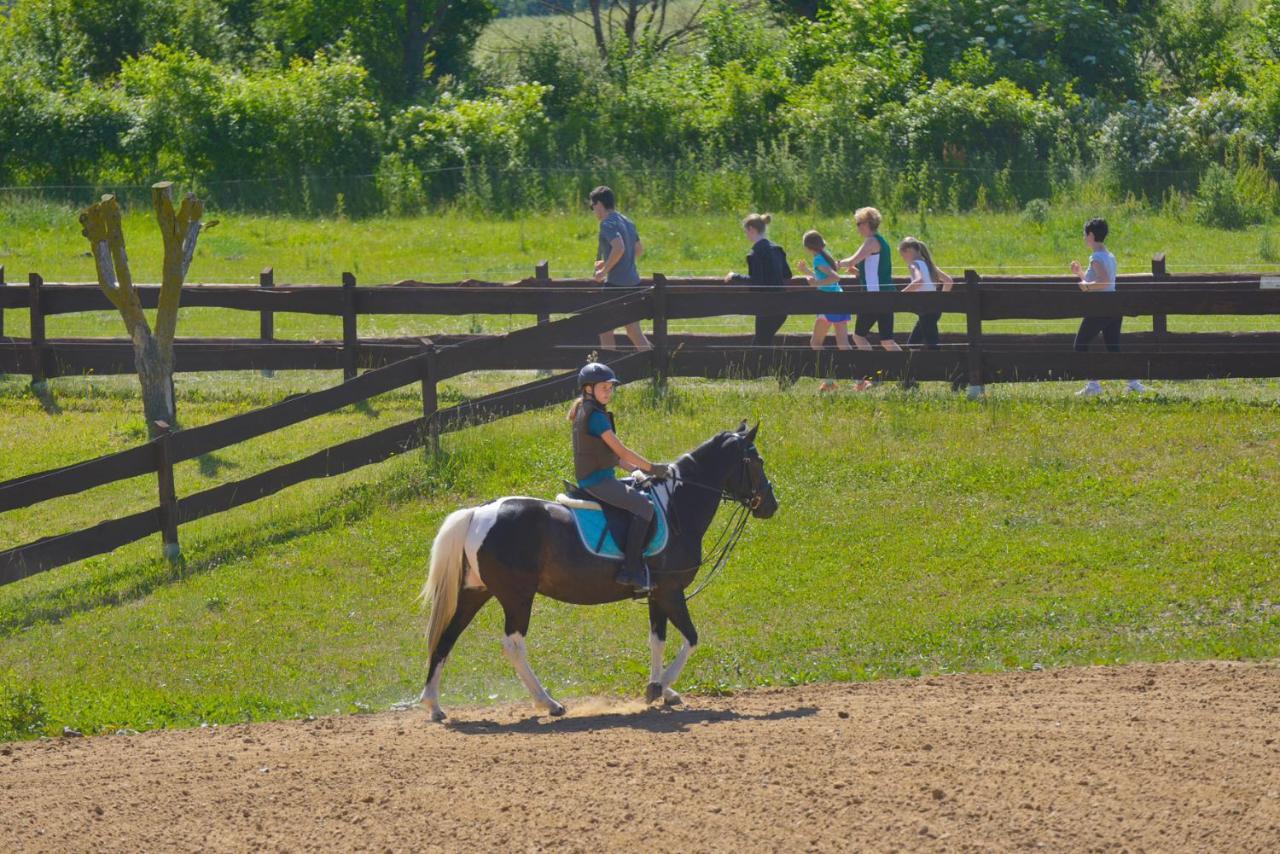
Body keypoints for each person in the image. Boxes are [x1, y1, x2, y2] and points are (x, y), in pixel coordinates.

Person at [569, 361, 672, 592]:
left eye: (610, 387)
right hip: (597, 481)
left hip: (600, 475)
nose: (608, 391)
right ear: (588, 389)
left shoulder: (588, 410)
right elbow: (622, 451)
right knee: (644, 507)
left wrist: (638, 471)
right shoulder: (595, 417)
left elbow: (613, 458)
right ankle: (630, 569)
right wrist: (653, 468)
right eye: (603, 387)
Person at [1069, 218, 1147, 396]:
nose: (1084, 238)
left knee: (1080, 344)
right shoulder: (1109, 256)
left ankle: (1093, 385)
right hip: (1113, 307)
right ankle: (1134, 383)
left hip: (1101, 308)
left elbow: (1102, 282)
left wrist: (1087, 287)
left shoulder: (1096, 257)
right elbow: (1104, 281)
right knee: (1113, 347)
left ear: (1091, 235)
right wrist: (1080, 273)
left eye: (1085, 234)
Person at [589, 186, 651, 352]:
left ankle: (609, 369)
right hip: (633, 282)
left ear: (599, 204)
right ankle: (655, 366)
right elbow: (638, 250)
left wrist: (603, 271)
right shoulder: (627, 221)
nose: (593, 211)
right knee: (633, 331)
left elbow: (619, 248)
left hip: (616, 285)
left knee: (605, 329)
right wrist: (609, 262)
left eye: (592, 206)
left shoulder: (607, 224)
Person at [838, 207, 901, 354]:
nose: (857, 227)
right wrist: (859, 273)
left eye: (859, 223)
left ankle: (871, 371)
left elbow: (852, 260)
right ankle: (907, 372)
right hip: (883, 296)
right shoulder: (880, 241)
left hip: (875, 297)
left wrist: (836, 263)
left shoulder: (871, 241)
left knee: (859, 337)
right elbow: (877, 270)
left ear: (867, 223)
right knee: (886, 341)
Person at [725, 213, 793, 348]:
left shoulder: (756, 253)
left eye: (746, 232)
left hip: (766, 306)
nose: (746, 235)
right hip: (782, 306)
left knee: (760, 345)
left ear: (751, 229)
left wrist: (734, 276)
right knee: (763, 342)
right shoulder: (777, 250)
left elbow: (756, 281)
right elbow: (787, 275)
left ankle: (762, 369)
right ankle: (768, 368)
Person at [797, 230, 853, 392]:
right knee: (843, 344)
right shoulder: (824, 256)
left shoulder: (818, 259)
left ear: (808, 247)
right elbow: (823, 277)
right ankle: (860, 378)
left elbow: (835, 277)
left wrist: (814, 284)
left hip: (828, 303)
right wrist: (807, 272)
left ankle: (829, 381)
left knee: (815, 343)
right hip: (839, 300)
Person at [898, 236, 953, 349]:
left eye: (903, 255)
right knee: (914, 343)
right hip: (934, 308)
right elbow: (949, 281)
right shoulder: (928, 264)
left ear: (908, 251)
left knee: (932, 345)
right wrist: (941, 300)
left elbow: (919, 281)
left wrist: (901, 294)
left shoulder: (914, 264)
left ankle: (938, 366)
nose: (903, 259)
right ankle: (916, 366)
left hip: (925, 307)